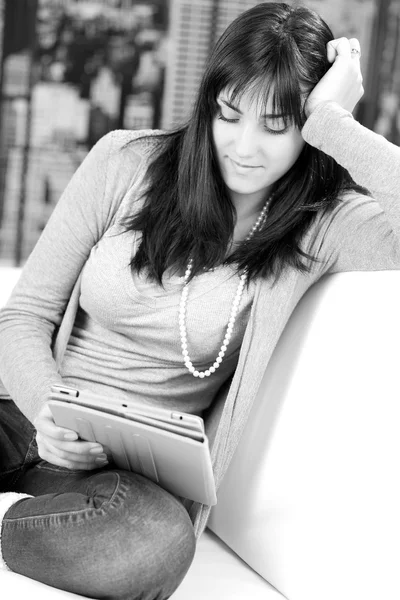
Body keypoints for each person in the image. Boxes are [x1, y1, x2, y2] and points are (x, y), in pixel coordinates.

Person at [0, 3, 399, 599]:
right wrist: (44, 409)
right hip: (28, 420)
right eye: (230, 115)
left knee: (155, 548)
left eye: (277, 124)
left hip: (124, 481)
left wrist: (333, 120)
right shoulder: (126, 162)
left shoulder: (323, 227)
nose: (243, 147)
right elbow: (24, 313)